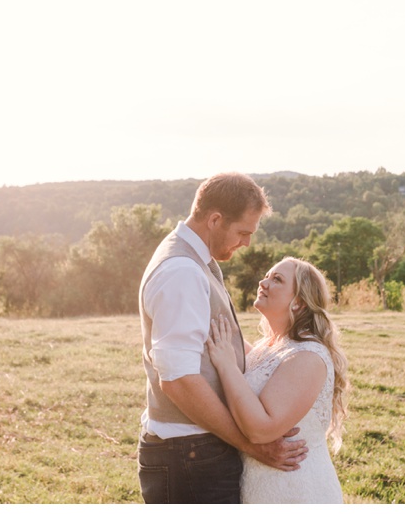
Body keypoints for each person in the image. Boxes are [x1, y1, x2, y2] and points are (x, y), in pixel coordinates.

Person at [137, 172, 308, 504]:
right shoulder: (182, 272)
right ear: (215, 219)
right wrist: (251, 444)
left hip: (196, 451)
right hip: (190, 457)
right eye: (243, 233)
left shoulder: (195, 261)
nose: (246, 243)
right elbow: (177, 379)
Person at [206, 257, 350, 503]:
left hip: (296, 491)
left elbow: (261, 430)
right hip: (263, 486)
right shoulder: (269, 347)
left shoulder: (308, 356)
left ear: (299, 303)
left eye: (277, 279)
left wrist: (226, 366)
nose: (263, 282)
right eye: (267, 275)